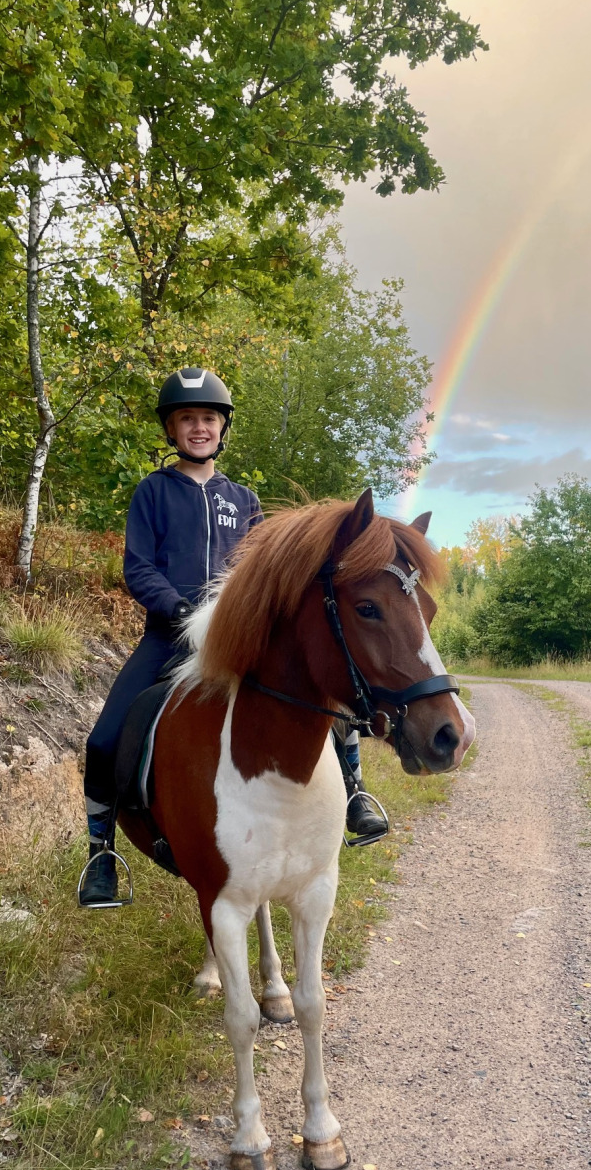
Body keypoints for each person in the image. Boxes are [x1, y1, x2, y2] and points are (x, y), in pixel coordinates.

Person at [79, 366, 384, 908]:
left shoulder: (242, 499)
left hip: (238, 638)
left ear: (223, 429)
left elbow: (263, 570)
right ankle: (102, 851)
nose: (199, 427)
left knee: (325, 699)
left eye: (208, 419)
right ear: (171, 431)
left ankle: (356, 793)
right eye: (187, 419)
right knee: (103, 739)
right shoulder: (152, 492)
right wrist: (179, 607)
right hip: (170, 637)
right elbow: (138, 567)